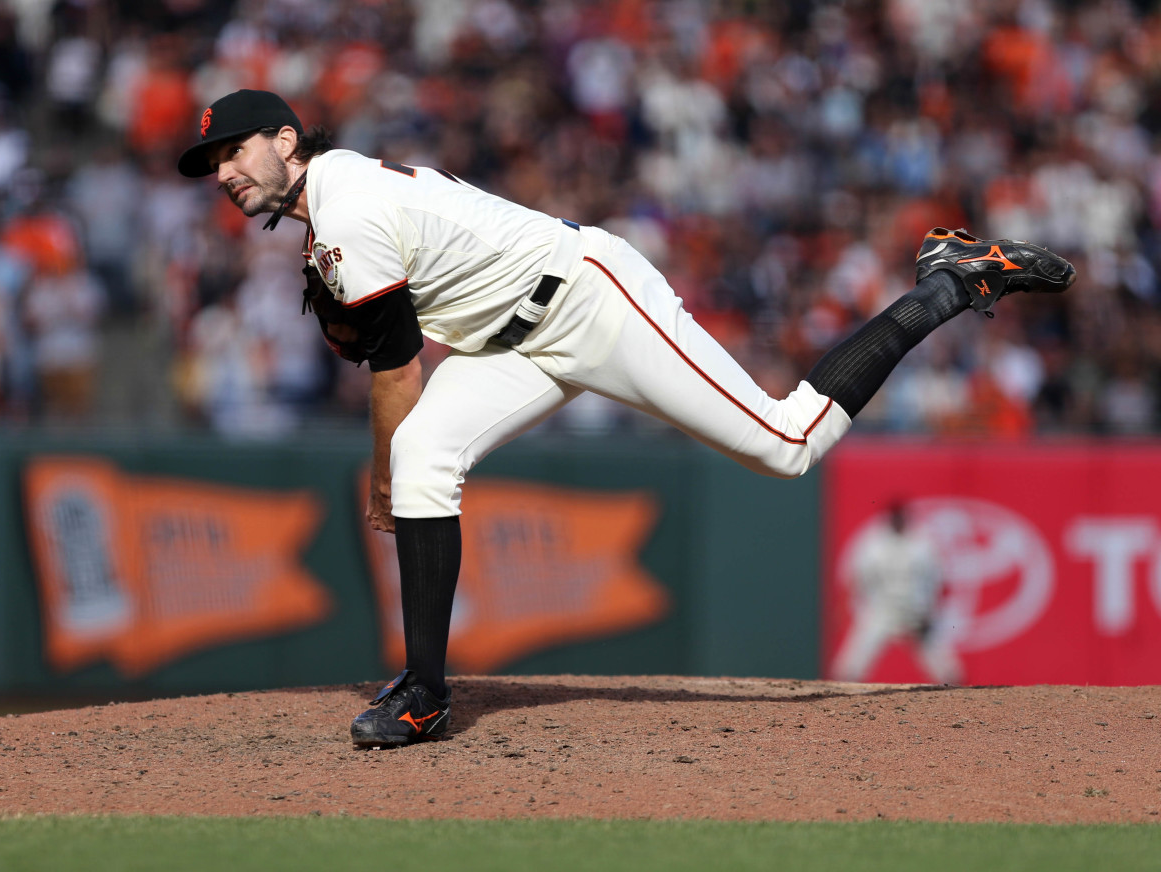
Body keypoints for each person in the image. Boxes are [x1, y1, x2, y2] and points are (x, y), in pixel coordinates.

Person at [177, 90, 1076, 748]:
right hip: (507, 341)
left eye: (234, 151)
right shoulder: (329, 208)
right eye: (211, 164)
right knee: (425, 461)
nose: (223, 172)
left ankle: (953, 280)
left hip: (589, 300)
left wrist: (376, 481)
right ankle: (424, 694)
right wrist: (394, 468)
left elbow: (396, 366)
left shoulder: (349, 209)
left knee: (788, 445)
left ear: (287, 140)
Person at [830, 500, 962, 686]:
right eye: (894, 515)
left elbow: (938, 579)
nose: (898, 519)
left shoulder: (923, 541)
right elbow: (855, 577)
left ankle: (960, 696)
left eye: (900, 515)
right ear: (888, 517)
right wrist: (843, 607)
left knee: (945, 667)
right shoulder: (872, 541)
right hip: (882, 609)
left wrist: (933, 611)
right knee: (852, 662)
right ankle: (841, 692)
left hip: (917, 609)